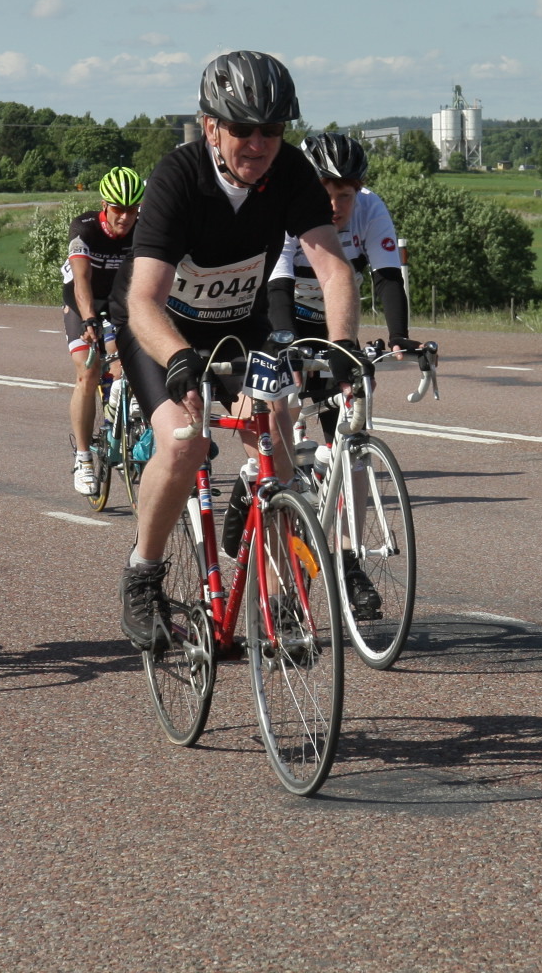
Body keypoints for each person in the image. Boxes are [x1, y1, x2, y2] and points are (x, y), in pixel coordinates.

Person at [109, 51, 367, 647]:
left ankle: (279, 606)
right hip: (161, 327)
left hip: (241, 322)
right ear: (210, 127)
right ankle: (143, 573)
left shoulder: (292, 173)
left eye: (272, 129)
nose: (258, 143)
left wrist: (342, 347)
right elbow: (143, 300)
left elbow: (334, 270)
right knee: (184, 441)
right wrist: (179, 360)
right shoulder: (178, 177)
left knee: (277, 437)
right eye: (243, 128)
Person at [266, 130, 419, 365]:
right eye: (323, 194)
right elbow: (278, 286)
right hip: (282, 315)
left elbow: (387, 276)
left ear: (358, 191)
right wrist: (288, 342)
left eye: (345, 196)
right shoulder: (286, 208)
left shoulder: (370, 208)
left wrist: (398, 335)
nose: (333, 206)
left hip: (336, 317)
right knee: (283, 380)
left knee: (356, 379)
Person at [63, 167, 142, 494]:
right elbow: (81, 279)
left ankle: (121, 426)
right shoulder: (85, 229)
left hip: (120, 302)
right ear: (104, 205)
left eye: (132, 209)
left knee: (134, 363)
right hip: (84, 301)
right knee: (89, 372)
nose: (125, 217)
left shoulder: (144, 229)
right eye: (118, 209)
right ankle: (83, 459)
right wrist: (89, 319)